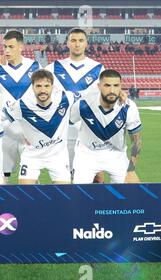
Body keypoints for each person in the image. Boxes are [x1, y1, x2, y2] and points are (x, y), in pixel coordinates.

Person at [0, 30, 41, 181]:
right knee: (1, 178)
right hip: (4, 132)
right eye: (5, 47)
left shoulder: (35, 67)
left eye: (11, 47)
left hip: (29, 131)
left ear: (21, 47)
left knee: (32, 179)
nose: (7, 50)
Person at [45, 28, 105, 181]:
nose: (77, 44)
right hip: (61, 130)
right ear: (67, 43)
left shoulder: (98, 69)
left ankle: (94, 205)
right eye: (73, 40)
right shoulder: (52, 68)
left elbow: (106, 97)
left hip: (89, 129)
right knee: (63, 176)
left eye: (80, 40)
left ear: (86, 44)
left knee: (96, 176)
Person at [3, 69, 80, 185]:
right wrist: (17, 135)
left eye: (46, 86)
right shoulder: (22, 105)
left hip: (58, 157)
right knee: (26, 194)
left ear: (52, 87)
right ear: (32, 87)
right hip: (32, 156)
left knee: (64, 195)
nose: (43, 90)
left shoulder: (66, 98)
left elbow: (89, 97)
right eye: (38, 86)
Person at [71, 69, 142, 184]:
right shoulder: (83, 105)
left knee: (134, 190)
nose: (112, 90)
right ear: (99, 86)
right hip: (87, 155)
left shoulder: (129, 107)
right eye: (107, 85)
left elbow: (137, 140)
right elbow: (64, 122)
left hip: (116, 155)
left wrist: (131, 170)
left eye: (116, 85)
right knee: (80, 194)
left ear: (121, 86)